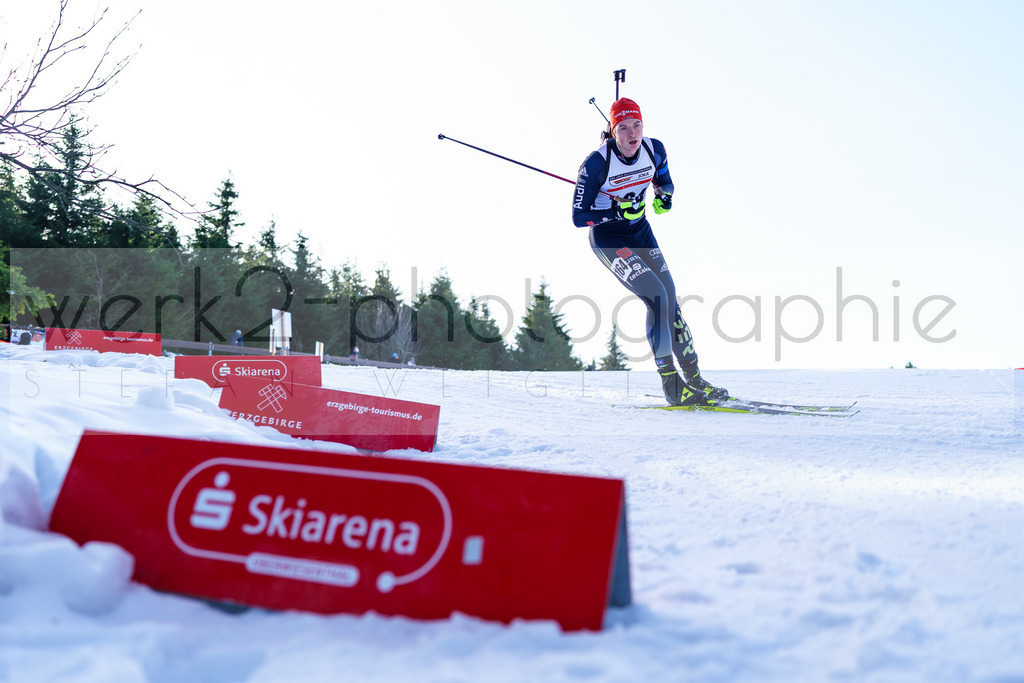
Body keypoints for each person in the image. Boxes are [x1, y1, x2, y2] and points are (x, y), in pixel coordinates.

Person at [572, 97, 728, 406]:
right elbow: (579, 217)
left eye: (637, 125)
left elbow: (666, 183)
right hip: (610, 239)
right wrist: (616, 212)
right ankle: (671, 385)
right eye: (624, 128)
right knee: (656, 296)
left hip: (641, 232)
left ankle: (694, 379)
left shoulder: (654, 149)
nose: (633, 135)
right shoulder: (595, 163)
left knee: (670, 299)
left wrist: (664, 198)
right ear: (613, 132)